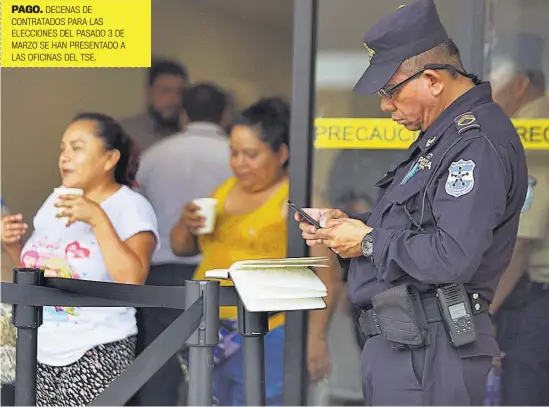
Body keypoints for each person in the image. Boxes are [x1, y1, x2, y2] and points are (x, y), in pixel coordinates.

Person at [294, 0, 528, 405]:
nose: (385, 106)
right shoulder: (444, 138)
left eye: (391, 91)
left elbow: (452, 255)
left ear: (434, 80)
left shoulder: (476, 145)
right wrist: (347, 224)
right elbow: (416, 226)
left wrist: (366, 242)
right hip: (408, 345)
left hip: (433, 349)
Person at [171, 97, 339, 406]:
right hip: (210, 331)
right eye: (233, 153)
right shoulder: (224, 192)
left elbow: (327, 276)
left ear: (281, 153)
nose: (239, 163)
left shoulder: (298, 199)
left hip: (269, 333)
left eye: (251, 154)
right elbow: (181, 249)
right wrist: (185, 223)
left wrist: (315, 338)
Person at [1, 113, 159, 406]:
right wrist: (13, 245)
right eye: (62, 148)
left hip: (97, 349)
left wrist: (97, 219)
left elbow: (133, 280)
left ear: (110, 158)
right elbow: (37, 271)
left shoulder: (130, 206)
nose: (65, 157)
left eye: (77, 148)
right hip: (41, 347)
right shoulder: (57, 200)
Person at [133, 83, 233, 406]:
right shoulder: (239, 156)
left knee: (159, 365)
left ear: (184, 113)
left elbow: (138, 212)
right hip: (218, 276)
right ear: (225, 114)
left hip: (161, 272)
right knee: (212, 365)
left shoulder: (153, 156)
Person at [488, 33, 549, 406]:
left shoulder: (532, 133)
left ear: (521, 83)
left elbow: (522, 240)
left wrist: (480, 315)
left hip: (532, 302)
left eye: (492, 80)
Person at [121, 59, 189, 153]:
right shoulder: (127, 133)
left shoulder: (190, 133)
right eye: (165, 91)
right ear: (149, 93)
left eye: (180, 92)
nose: (174, 99)